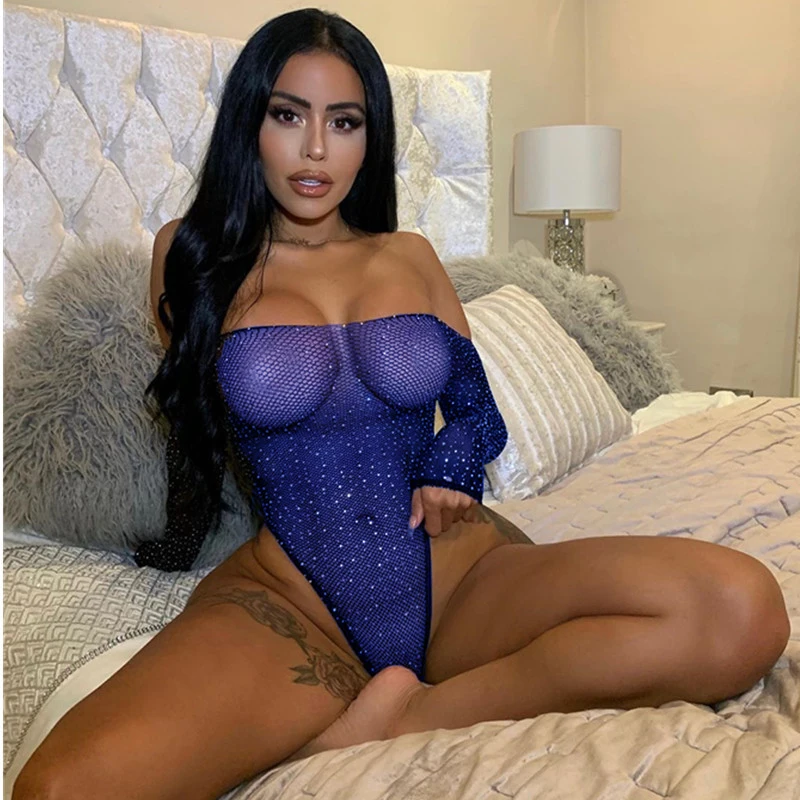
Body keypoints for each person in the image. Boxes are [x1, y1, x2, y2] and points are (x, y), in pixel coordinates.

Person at [12, 8, 790, 799]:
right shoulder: (191, 256)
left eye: (344, 122)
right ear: (251, 123)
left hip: (462, 578)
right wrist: (177, 535)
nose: (317, 150)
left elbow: (476, 410)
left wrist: (452, 463)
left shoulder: (410, 256)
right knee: (63, 789)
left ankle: (412, 716)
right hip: (296, 602)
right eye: (289, 115)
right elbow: (192, 418)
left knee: (740, 608)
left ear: (370, 135)